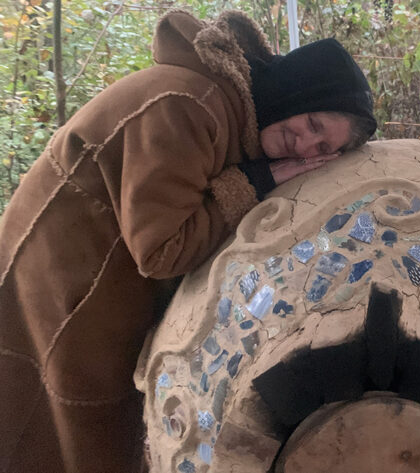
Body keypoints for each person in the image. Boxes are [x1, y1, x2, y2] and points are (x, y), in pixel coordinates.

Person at [0, 9, 376, 473]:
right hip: (65, 285)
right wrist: (252, 182)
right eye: (314, 125)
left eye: (322, 149)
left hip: (93, 276)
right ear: (298, 92)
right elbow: (162, 251)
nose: (305, 146)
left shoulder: (231, 111)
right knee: (65, 434)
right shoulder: (187, 106)